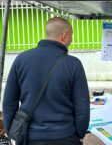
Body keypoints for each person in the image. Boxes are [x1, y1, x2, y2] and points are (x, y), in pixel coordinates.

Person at [3, 17, 90, 145]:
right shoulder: (73, 64)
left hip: (29, 137)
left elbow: (9, 102)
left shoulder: (21, 60)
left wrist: (12, 132)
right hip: (65, 136)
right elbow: (82, 107)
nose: (71, 39)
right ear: (64, 36)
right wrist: (79, 133)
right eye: (71, 36)